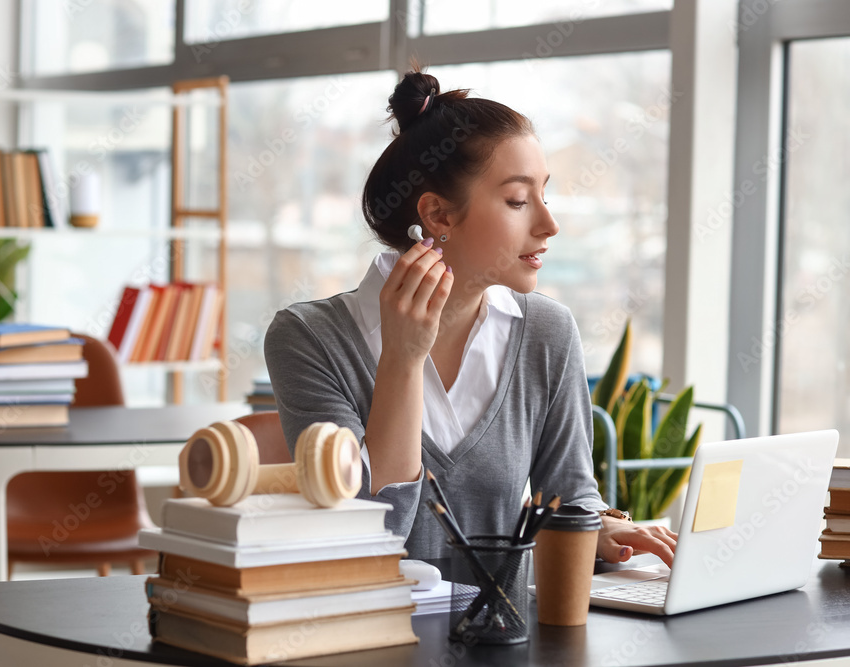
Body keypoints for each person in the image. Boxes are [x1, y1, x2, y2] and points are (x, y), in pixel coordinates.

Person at [264, 67, 677, 565]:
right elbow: (364, 537)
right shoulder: (308, 338)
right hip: (375, 634)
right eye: (518, 201)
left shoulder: (547, 331)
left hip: (514, 635)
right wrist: (402, 357)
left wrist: (586, 530)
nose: (549, 224)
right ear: (438, 216)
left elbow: (568, 502)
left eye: (544, 195)